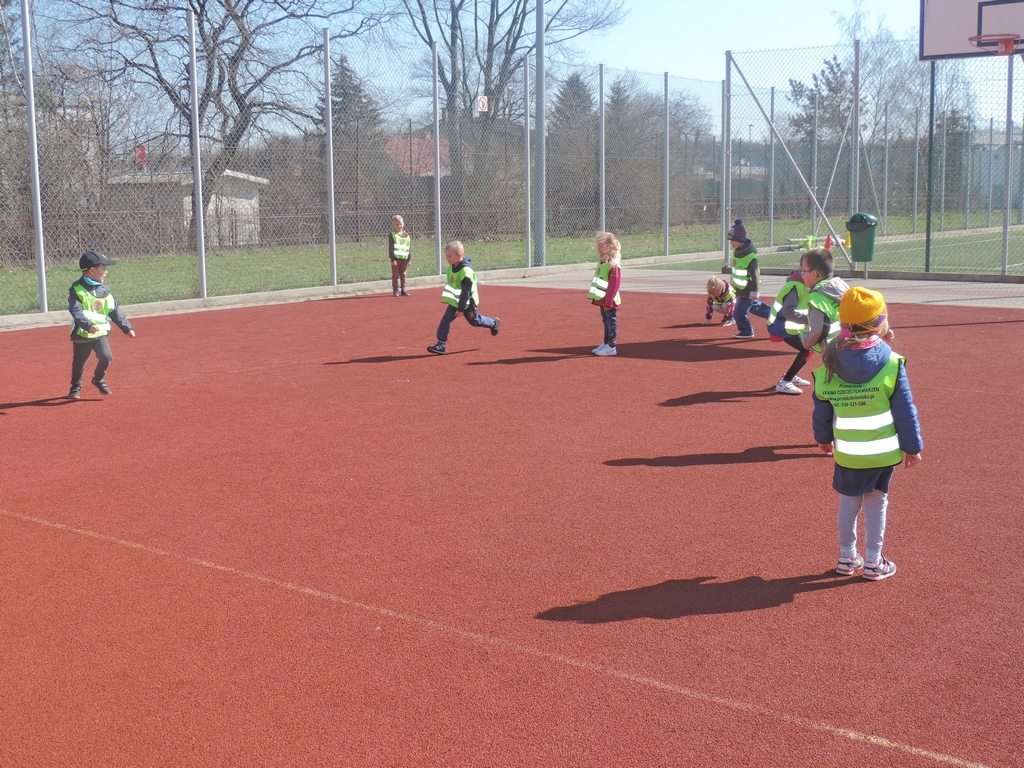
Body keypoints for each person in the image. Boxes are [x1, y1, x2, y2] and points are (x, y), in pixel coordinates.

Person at [812, 287, 922, 581]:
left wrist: (823, 438)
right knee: (876, 501)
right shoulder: (891, 363)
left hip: (849, 451)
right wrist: (912, 446)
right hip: (882, 451)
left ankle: (847, 557)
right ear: (880, 323)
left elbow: (822, 409)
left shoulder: (829, 364)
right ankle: (874, 561)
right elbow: (904, 409)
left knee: (849, 501)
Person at [67, 250, 136, 399]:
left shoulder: (104, 291)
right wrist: (88, 326)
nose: (106, 272)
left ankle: (98, 379)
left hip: (99, 333)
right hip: (82, 333)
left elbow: (115, 311)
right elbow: (76, 311)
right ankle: (75, 387)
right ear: (93, 271)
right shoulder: (77, 290)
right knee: (79, 363)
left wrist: (127, 328)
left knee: (106, 356)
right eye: (103, 269)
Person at [426, 241, 499, 354]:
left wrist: (461, 308)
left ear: (459, 256)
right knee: (445, 320)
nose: (447, 258)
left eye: (450, 256)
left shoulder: (466, 272)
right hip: (456, 301)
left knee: (475, 321)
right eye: (446, 256)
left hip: (468, 303)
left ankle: (493, 323)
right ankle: (441, 344)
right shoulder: (451, 268)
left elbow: (466, 292)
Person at [793, 248, 849, 396]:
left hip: (833, 352)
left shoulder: (816, 297)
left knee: (833, 390)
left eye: (803, 270)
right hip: (852, 344)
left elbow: (818, 330)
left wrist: (806, 341)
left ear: (814, 274)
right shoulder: (842, 286)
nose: (801, 274)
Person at [754, 268, 813, 395]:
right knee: (807, 349)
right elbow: (788, 312)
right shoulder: (796, 286)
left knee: (811, 347)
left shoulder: (803, 285)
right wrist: (810, 320)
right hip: (781, 326)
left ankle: (790, 376)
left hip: (789, 325)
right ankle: (785, 382)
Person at [588, 232, 622, 356]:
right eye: (598, 246)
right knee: (605, 321)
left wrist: (608, 302)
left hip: (610, 301)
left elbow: (614, 285)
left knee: (611, 321)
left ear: (610, 247)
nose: (599, 249)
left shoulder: (613, 264)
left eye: (601, 246)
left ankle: (612, 346)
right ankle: (606, 342)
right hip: (603, 299)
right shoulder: (603, 261)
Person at [726, 219, 760, 339]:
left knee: (738, 312)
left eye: (732, 240)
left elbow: (755, 274)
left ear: (739, 240)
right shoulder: (738, 251)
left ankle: (746, 331)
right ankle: (777, 316)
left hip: (748, 290)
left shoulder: (750, 256)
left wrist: (754, 291)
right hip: (742, 289)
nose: (731, 243)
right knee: (756, 308)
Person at [388, 214, 411, 297]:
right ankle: (395, 290)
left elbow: (408, 247)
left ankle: (403, 289)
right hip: (396, 259)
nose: (399, 226)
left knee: (403, 274)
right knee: (395, 275)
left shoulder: (407, 236)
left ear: (403, 224)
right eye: (397, 224)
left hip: (404, 259)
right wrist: (393, 259)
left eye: (400, 224)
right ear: (393, 225)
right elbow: (391, 248)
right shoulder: (392, 235)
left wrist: (409, 258)